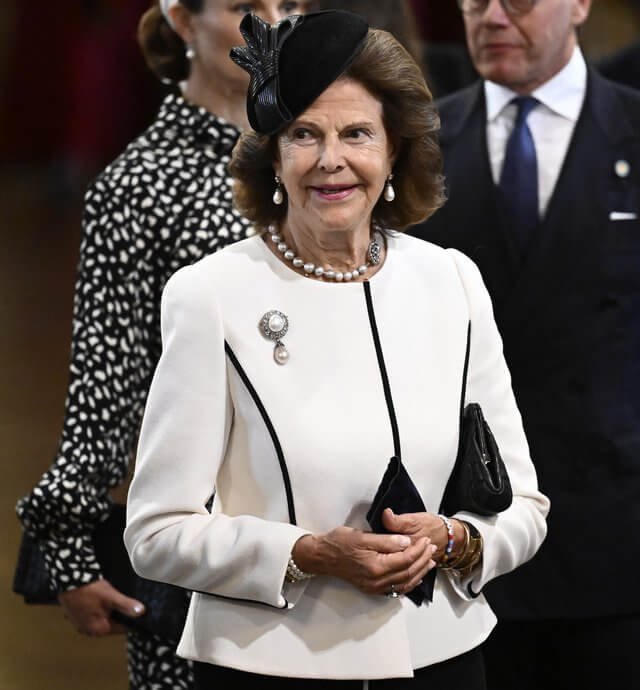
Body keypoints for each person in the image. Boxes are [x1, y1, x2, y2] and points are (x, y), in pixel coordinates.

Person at [124, 10, 549, 688]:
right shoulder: (209, 295)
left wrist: (456, 540)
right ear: (273, 156)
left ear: (395, 152)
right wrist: (306, 552)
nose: (331, 160)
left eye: (357, 133)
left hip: (443, 661)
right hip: (269, 670)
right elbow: (155, 533)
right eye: (304, 135)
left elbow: (523, 506)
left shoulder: (452, 282)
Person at [15, 1, 314, 688]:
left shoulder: (327, 156)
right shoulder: (140, 184)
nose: (273, 24)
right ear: (183, 21)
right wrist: (67, 548)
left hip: (335, 541)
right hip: (202, 551)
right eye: (246, 6)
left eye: (290, 4)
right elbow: (107, 378)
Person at [410, 0, 640, 687]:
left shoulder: (634, 129)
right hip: (466, 531)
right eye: (474, 2)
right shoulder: (416, 142)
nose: (491, 17)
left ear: (578, 5)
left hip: (616, 534)